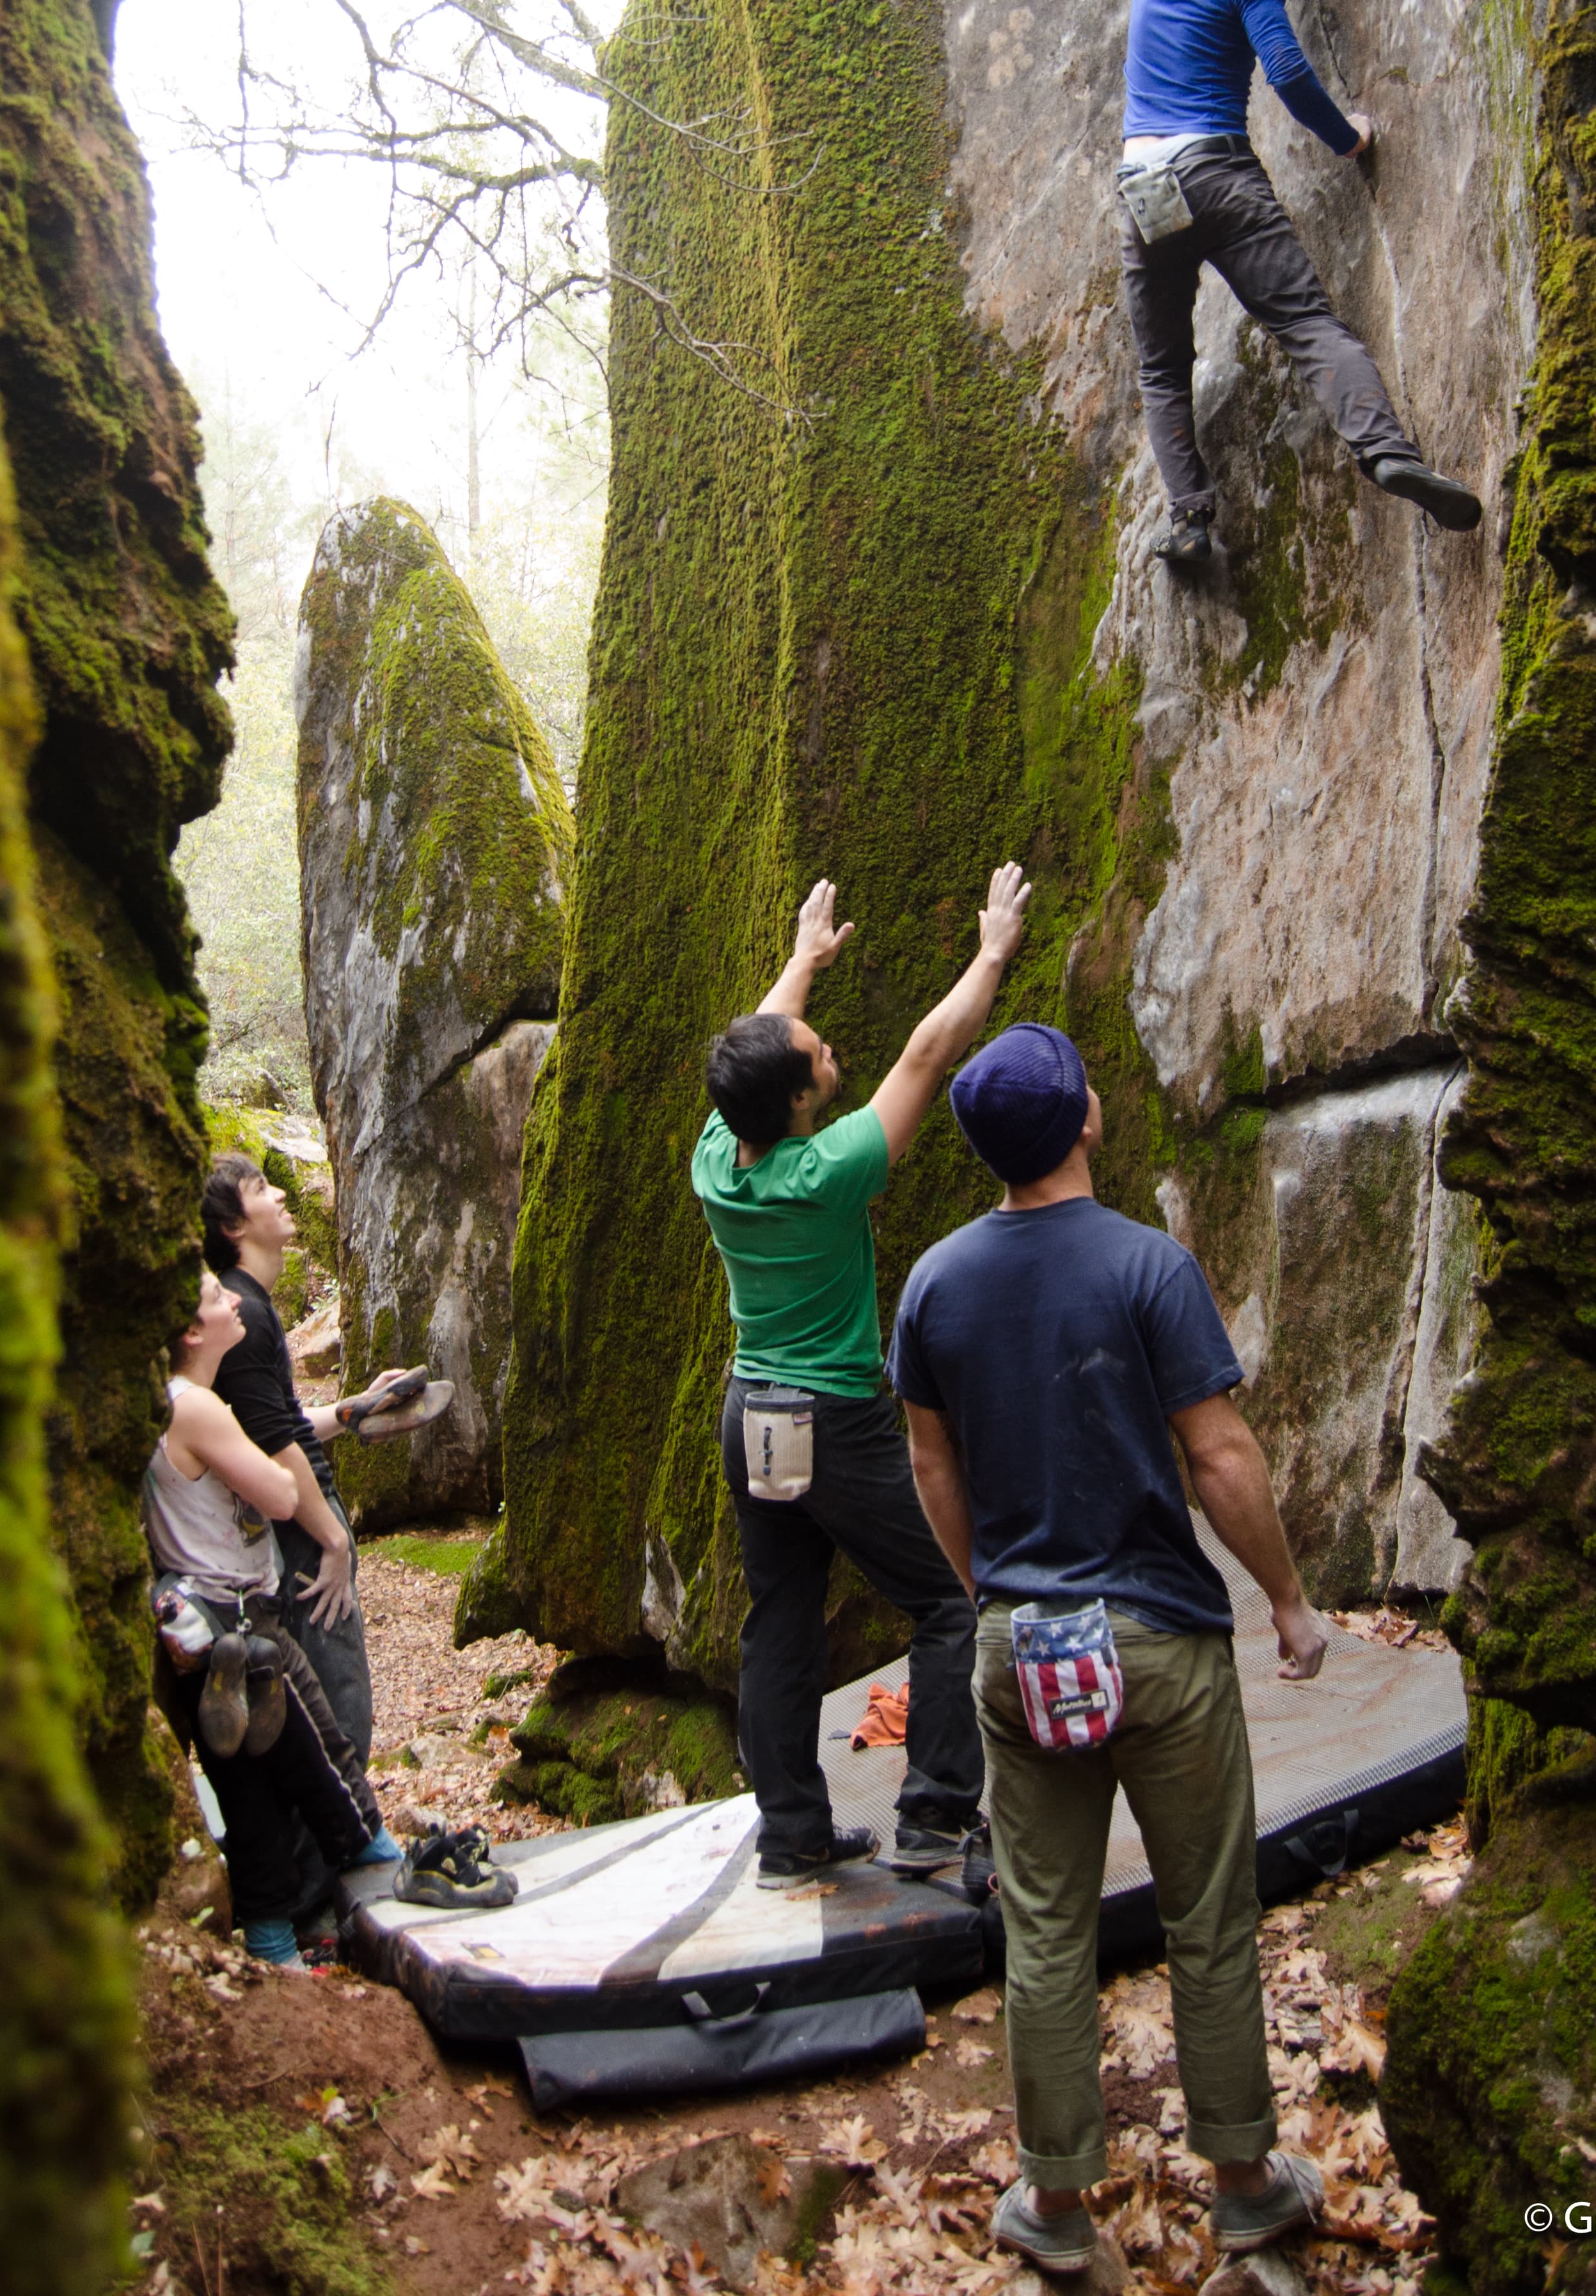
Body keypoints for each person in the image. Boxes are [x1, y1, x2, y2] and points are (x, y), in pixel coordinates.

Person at [888, 1021, 1329, 2279]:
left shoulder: (934, 1282)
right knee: (1207, 1912)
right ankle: (1244, 2186)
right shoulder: (1148, 1266)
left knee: (1043, 1920)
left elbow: (931, 1460)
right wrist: (1287, 1601)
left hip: (1022, 1643)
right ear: (1083, 1116)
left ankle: (1058, 2201)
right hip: (1159, 1641)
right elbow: (1221, 1454)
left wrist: (993, 1595)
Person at [695, 864, 1032, 1892]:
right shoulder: (829, 1170)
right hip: (834, 1419)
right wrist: (992, 954)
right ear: (800, 1102)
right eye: (822, 1057)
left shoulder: (721, 1152)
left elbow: (755, 1047)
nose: (831, 1050)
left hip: (751, 1411)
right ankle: (934, 1817)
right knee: (944, 1602)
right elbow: (929, 1054)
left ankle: (792, 1833)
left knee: (781, 1618)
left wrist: (803, 958)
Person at [1119, 0, 1482, 564]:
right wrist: (1345, 136)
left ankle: (1190, 520)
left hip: (1141, 186)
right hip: (1216, 173)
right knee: (1308, 324)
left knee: (1162, 367)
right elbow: (1283, 66)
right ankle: (1387, 453)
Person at [145, 1269, 402, 1966]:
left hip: (196, 1624)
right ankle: (380, 1859)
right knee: (324, 1755)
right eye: (217, 1298)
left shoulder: (174, 1399)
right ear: (193, 1331)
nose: (236, 1300)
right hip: (246, 1613)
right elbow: (282, 1492)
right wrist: (281, 1468)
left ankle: (272, 1945)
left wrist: (350, 1410)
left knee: (248, 1792)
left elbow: (276, 1432)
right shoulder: (200, 1407)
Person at [200, 1157, 413, 1768]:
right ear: (235, 1226)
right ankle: (348, 1850)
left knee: (326, 1702)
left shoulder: (252, 1306)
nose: (283, 1193)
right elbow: (274, 1443)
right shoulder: (242, 1314)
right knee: (337, 1708)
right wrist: (333, 1540)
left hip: (300, 1529)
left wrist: (355, 1409)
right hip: (301, 1541)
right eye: (262, 1190)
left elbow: (284, 1421)